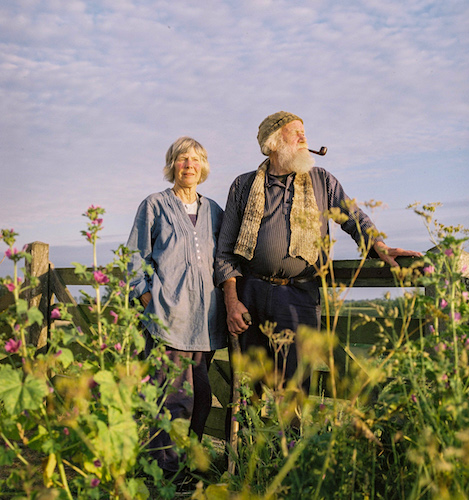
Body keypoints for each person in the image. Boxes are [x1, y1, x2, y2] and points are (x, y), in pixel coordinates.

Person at [215, 111, 422, 384]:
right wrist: (232, 302)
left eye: (305, 132)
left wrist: (379, 245)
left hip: (299, 295)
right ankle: (251, 427)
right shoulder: (243, 186)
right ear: (274, 142)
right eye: (295, 132)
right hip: (251, 294)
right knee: (249, 386)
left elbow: (354, 218)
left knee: (294, 387)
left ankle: (289, 430)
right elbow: (225, 253)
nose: (304, 137)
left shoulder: (322, 180)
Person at [126, 137, 227, 484]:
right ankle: (164, 474)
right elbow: (135, 257)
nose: (189, 165)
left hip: (205, 321)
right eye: (182, 159)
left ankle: (188, 467)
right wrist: (145, 298)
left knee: (201, 397)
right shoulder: (154, 205)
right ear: (173, 165)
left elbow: (225, 258)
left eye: (196, 159)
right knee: (173, 398)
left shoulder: (214, 210)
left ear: (203, 167)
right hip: (168, 317)